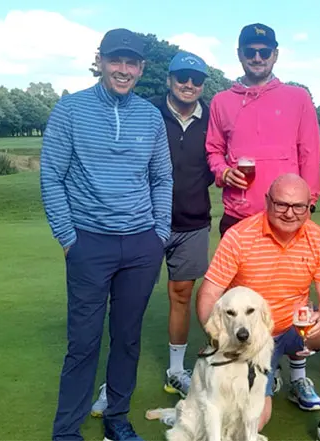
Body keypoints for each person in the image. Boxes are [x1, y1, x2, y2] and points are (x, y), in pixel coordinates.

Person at [41, 28, 173, 441]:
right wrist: (68, 237)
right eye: (116, 60)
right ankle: (66, 430)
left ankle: (117, 416)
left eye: (131, 63)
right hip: (89, 242)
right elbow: (52, 176)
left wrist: (159, 234)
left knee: (127, 338)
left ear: (141, 68)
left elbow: (162, 177)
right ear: (100, 61)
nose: (123, 69)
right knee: (83, 342)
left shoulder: (150, 116)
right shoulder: (70, 110)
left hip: (140, 244)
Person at [205, 22, 320, 411]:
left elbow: (309, 152)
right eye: (250, 51)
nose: (257, 57)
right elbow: (213, 151)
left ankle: (299, 378)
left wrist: (310, 202)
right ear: (239, 54)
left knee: (295, 297)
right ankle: (236, 371)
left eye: (264, 51)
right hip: (241, 216)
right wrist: (223, 171)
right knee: (239, 299)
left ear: (275, 54)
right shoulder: (222, 99)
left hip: (289, 217)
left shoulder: (297, 96)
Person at [89, 50, 214, 416]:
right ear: (168, 79)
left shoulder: (212, 118)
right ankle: (111, 385)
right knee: (129, 303)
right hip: (142, 222)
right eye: (181, 78)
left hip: (193, 222)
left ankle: (175, 371)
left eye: (196, 79)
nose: (189, 85)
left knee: (181, 295)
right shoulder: (144, 111)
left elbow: (216, 162)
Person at [195, 173, 320, 441]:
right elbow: (210, 293)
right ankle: (268, 378)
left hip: (295, 328)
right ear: (267, 201)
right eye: (281, 204)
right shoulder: (239, 236)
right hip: (251, 339)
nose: (290, 214)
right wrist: (217, 339)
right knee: (252, 424)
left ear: (309, 207)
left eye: (299, 207)